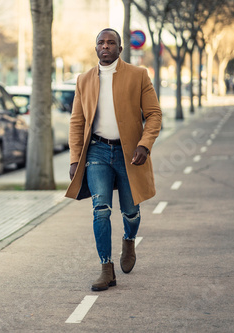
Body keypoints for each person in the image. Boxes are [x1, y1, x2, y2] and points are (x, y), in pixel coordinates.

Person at [65, 28, 162, 291]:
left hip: (129, 153)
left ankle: (129, 240)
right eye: (101, 42)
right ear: (95, 48)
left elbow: (154, 114)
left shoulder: (138, 75)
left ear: (120, 48)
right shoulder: (83, 80)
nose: (105, 46)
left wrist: (145, 145)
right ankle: (106, 269)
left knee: (130, 211)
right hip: (96, 152)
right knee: (101, 210)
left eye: (111, 43)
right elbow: (77, 122)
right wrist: (76, 159)